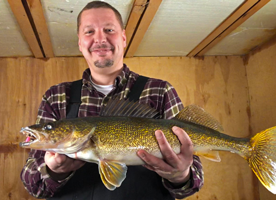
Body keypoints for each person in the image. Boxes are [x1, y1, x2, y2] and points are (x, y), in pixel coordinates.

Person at [20, 1, 203, 199]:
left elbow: (192, 183)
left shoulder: (160, 91)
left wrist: (180, 175)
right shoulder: (56, 96)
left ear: (123, 38)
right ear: (80, 42)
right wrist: (55, 171)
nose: (100, 38)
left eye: (109, 29)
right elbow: (34, 187)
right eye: (89, 32)